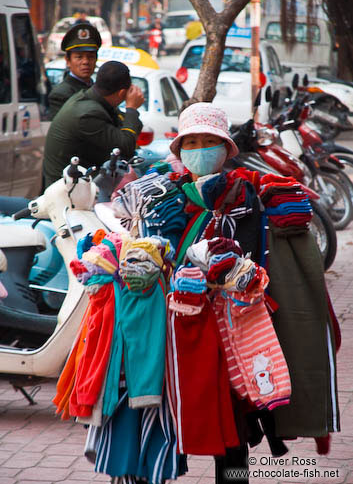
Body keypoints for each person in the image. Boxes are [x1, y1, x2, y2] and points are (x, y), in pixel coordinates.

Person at [53, 102, 340, 484]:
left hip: (229, 330)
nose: (201, 149)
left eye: (210, 141)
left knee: (232, 429)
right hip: (167, 326)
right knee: (155, 418)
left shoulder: (247, 196)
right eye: (192, 142)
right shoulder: (160, 196)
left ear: (226, 149)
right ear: (180, 150)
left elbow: (260, 259)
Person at [43, 60, 144, 188]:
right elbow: (126, 147)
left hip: (80, 182)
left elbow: (126, 128)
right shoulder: (88, 113)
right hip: (66, 192)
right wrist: (132, 109)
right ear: (122, 93)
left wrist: (131, 113)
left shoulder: (95, 100)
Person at [48, 22, 101, 120]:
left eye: (90, 57)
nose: (85, 62)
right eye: (79, 57)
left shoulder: (97, 90)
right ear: (68, 61)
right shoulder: (60, 94)